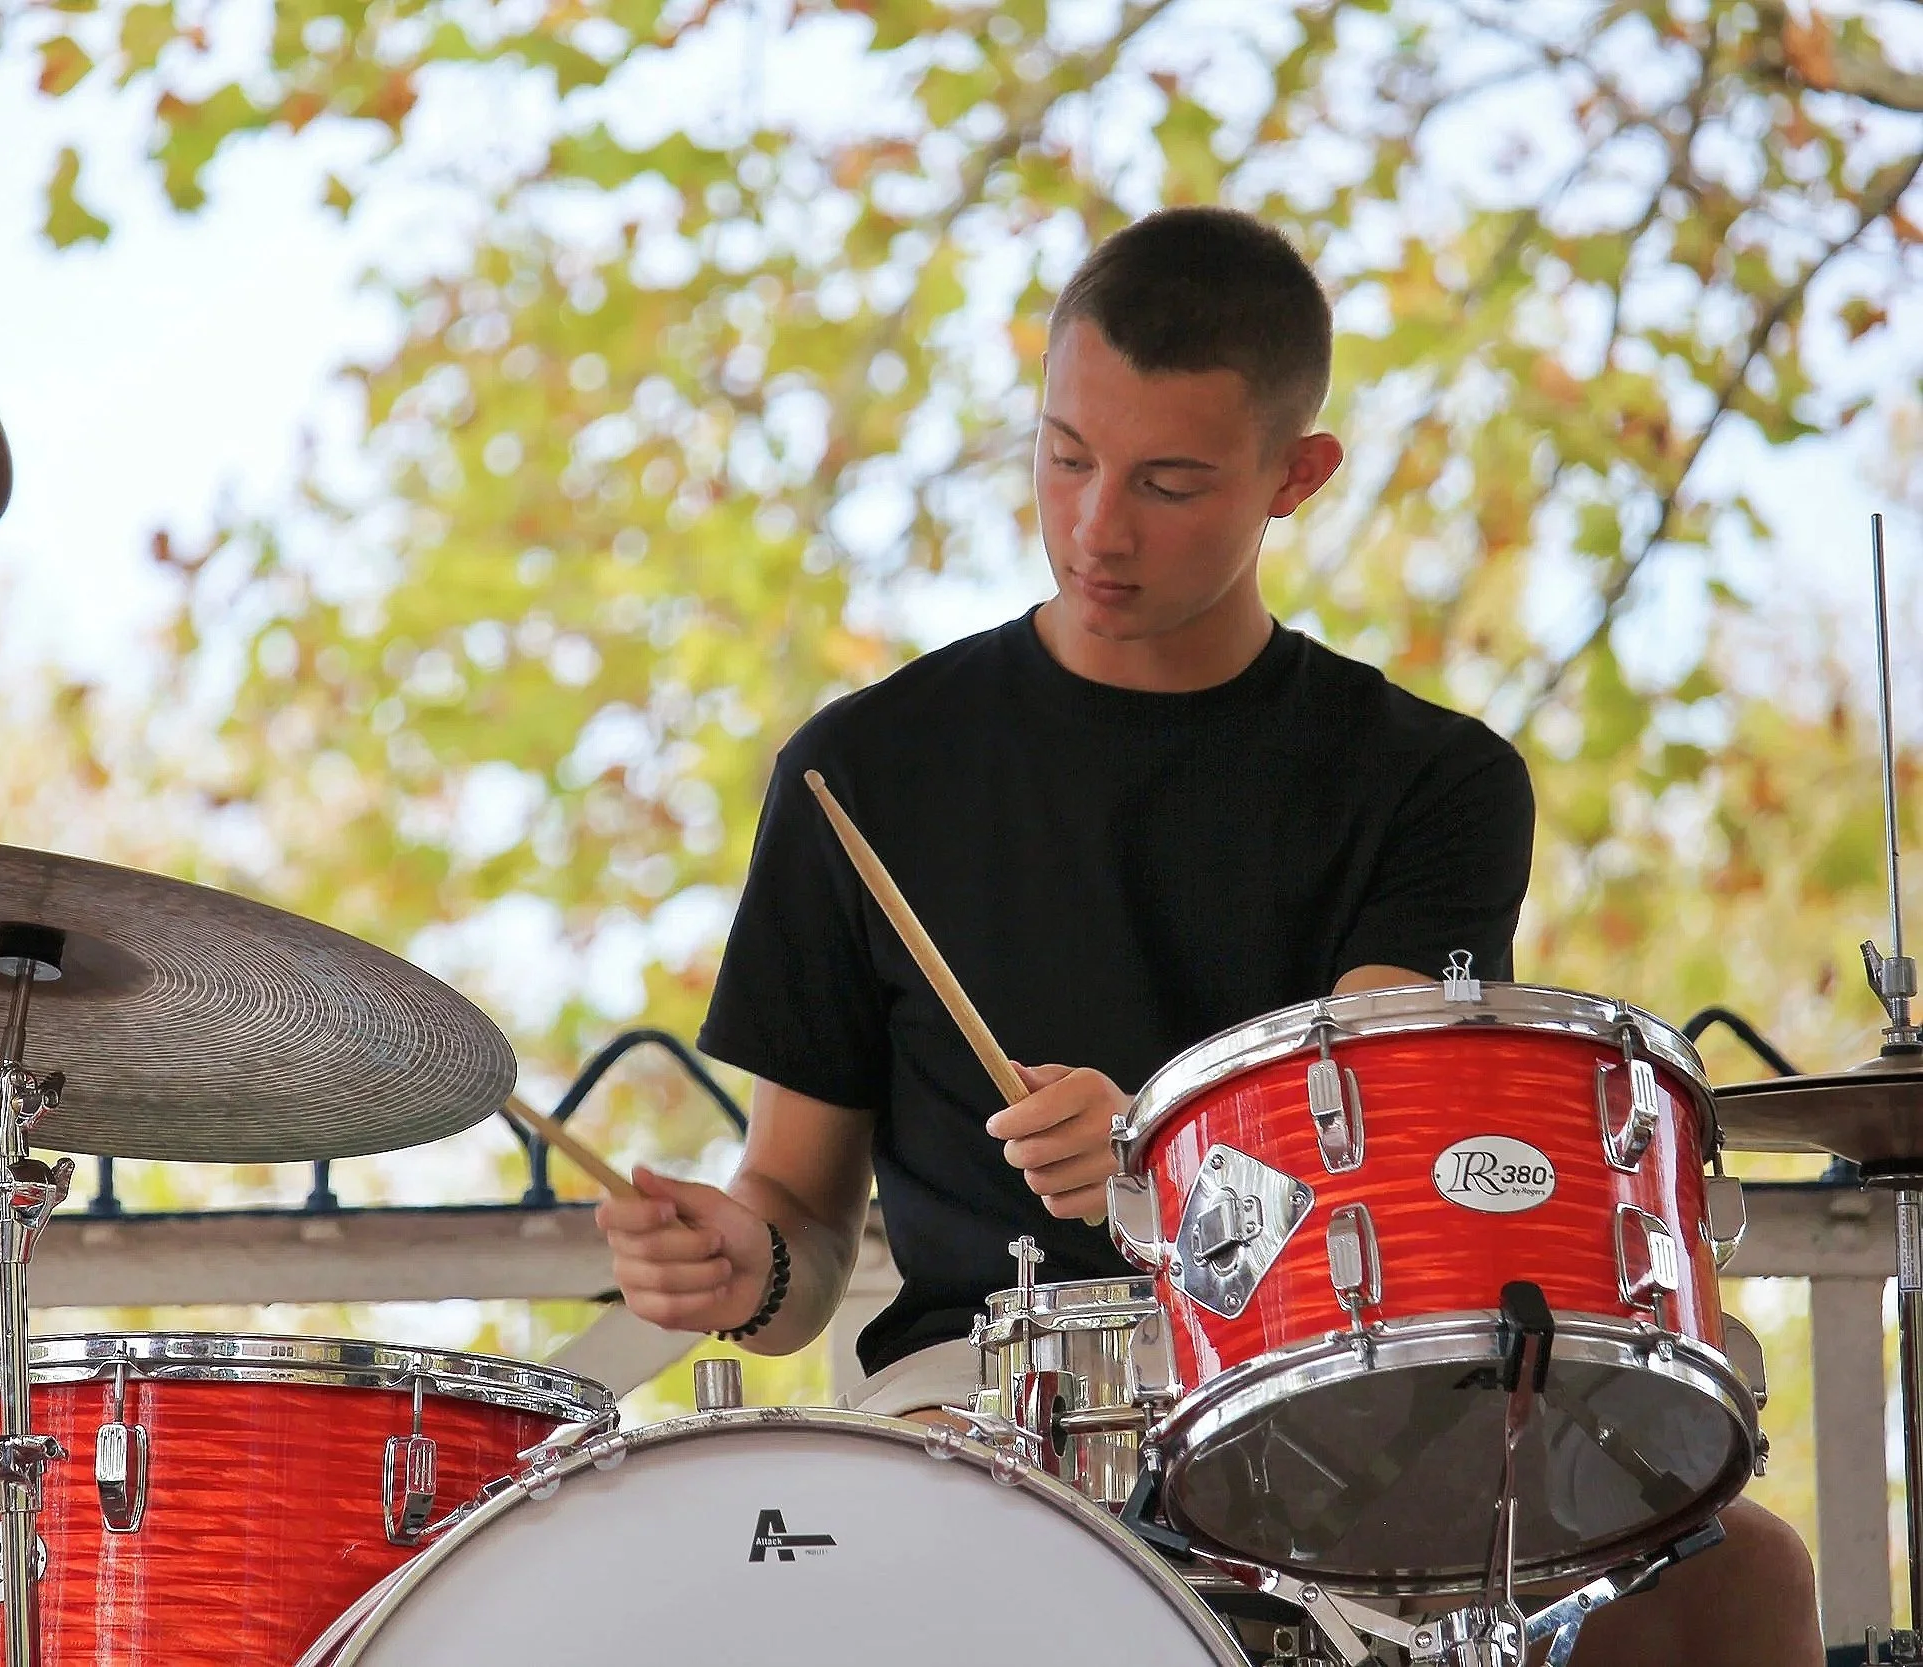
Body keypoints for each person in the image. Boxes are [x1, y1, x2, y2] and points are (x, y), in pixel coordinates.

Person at [596, 206, 1820, 1666]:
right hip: (974, 1397)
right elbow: (795, 1211)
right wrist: (749, 1265)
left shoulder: (1433, 780)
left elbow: (1361, 1161)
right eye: (1064, 456)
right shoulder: (864, 766)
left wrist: (1155, 1169)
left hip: (1311, 1396)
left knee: (1740, 1570)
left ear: (1297, 477)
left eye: (1169, 482)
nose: (1095, 527)